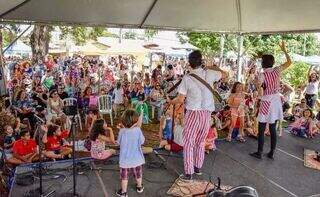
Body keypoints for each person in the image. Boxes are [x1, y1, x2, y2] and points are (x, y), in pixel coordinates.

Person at [167, 50, 227, 181]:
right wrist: (211, 66)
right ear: (202, 61)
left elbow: (180, 99)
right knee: (200, 141)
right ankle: (197, 167)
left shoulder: (187, 78)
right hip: (206, 114)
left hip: (193, 113)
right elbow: (225, 74)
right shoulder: (210, 73)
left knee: (188, 142)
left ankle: (189, 173)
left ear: (189, 63)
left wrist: (170, 101)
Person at [250, 41, 291, 160]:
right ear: (272, 62)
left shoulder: (262, 75)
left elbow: (259, 89)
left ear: (263, 62)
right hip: (276, 100)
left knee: (262, 127)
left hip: (266, 100)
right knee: (272, 127)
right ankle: (272, 152)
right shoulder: (277, 70)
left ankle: (259, 152)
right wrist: (284, 50)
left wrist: (257, 84)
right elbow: (289, 62)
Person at [116, 109, 145, 197]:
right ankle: (139, 187)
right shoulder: (138, 130)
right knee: (138, 174)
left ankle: (124, 192)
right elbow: (142, 142)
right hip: (137, 159)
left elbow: (119, 142)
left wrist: (123, 130)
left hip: (125, 160)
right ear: (135, 121)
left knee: (124, 176)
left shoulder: (122, 131)